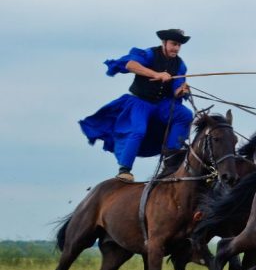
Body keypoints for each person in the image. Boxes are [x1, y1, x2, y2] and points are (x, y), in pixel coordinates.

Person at [79, 28, 193, 182]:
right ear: (164, 43)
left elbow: (176, 90)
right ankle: (125, 170)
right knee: (138, 130)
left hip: (162, 105)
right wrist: (156, 74)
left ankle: (171, 158)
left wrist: (181, 90)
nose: (176, 48)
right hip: (140, 102)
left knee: (185, 115)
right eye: (174, 44)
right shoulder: (150, 54)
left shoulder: (179, 65)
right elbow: (130, 64)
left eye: (179, 45)